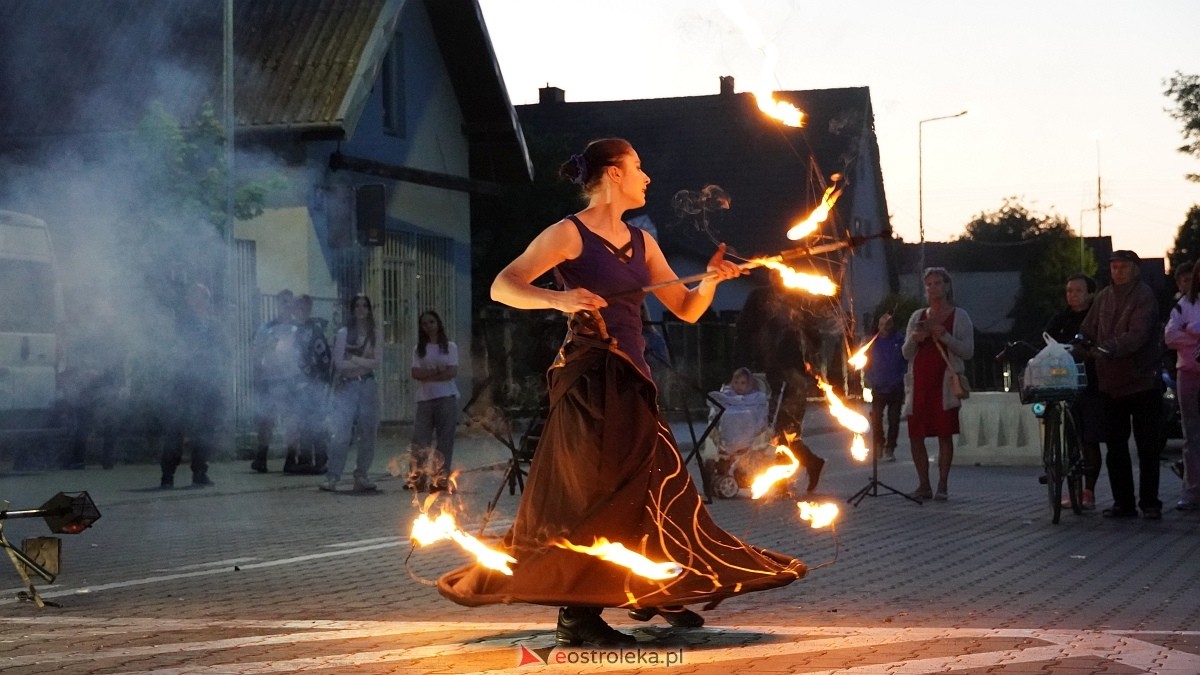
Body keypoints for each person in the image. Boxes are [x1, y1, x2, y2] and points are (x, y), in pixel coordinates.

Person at [438, 138, 805, 647]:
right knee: (598, 492)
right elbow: (504, 285)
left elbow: (686, 309)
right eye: (638, 166)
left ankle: (649, 586)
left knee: (657, 488)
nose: (646, 176)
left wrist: (712, 281)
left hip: (633, 379)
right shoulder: (569, 233)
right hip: (591, 379)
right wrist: (559, 299)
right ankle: (577, 615)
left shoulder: (643, 243)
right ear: (613, 173)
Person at [1079, 250, 1163, 519]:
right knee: (1116, 447)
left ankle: (1150, 503)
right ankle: (1123, 503)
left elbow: (1139, 334)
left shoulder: (1144, 296)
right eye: (1114, 267)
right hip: (1110, 384)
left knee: (1147, 446)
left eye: (1123, 267)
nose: (1118, 272)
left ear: (1135, 269)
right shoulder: (1104, 296)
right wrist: (1080, 344)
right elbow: (1088, 328)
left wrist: (1108, 348)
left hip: (1142, 380)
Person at [735, 280, 826, 493]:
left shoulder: (798, 297)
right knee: (780, 431)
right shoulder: (759, 297)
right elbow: (745, 330)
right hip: (776, 374)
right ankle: (802, 468)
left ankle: (793, 473)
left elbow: (814, 338)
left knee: (782, 430)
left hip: (793, 377)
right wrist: (741, 364)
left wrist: (797, 334)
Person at [902, 267, 974, 502]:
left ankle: (942, 484)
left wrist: (944, 335)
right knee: (916, 436)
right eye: (929, 284)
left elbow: (968, 351)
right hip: (919, 383)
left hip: (944, 384)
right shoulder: (917, 316)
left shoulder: (959, 316)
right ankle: (924, 484)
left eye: (937, 283)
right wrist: (915, 339)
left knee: (944, 434)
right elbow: (905, 353)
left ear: (947, 286)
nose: (933, 288)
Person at [1044, 274, 1102, 509]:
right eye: (1069, 291)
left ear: (1090, 293)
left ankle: (1089, 491)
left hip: (1091, 383)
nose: (1072, 295)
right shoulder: (1061, 318)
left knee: (1089, 439)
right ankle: (1071, 489)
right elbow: (1046, 340)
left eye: (1078, 291)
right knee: (1070, 438)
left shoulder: (1097, 316)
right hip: (1064, 382)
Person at [161, 282, 224, 489]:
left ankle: (200, 472)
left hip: (208, 382)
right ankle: (167, 475)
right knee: (176, 428)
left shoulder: (214, 325)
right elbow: (175, 348)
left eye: (202, 296)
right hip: (184, 381)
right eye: (194, 296)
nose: (198, 300)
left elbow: (223, 351)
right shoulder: (180, 322)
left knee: (205, 429)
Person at [320, 293, 384, 493]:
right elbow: (339, 363)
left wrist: (354, 360)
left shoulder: (375, 334)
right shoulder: (344, 333)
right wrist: (363, 364)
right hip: (347, 386)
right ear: (352, 309)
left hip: (367, 385)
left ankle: (361, 474)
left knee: (368, 432)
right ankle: (333, 476)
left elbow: (376, 362)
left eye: (365, 305)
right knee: (342, 433)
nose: (361, 309)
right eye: (357, 306)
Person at [61, 298, 126, 470]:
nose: (105, 320)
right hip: (89, 385)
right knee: (84, 422)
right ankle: (78, 459)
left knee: (110, 423)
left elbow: (118, 362)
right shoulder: (88, 336)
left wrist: (107, 375)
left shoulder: (116, 338)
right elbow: (78, 355)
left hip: (108, 385)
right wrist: (86, 371)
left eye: (107, 317)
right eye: (102, 317)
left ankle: (107, 459)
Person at [250, 290, 304, 473]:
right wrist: (258, 376)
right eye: (283, 302)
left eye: (289, 302)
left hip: (291, 380)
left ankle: (291, 458)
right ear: (277, 304)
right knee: (266, 420)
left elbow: (305, 354)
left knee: (292, 421)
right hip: (270, 379)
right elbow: (256, 354)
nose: (286, 305)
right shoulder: (266, 328)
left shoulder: (299, 329)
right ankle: (261, 457)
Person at [408, 310, 460, 492]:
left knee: (445, 440)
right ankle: (418, 478)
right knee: (420, 440)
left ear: (438, 323)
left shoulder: (450, 347)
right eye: (424, 324)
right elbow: (416, 373)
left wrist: (428, 375)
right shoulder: (419, 349)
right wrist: (438, 371)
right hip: (425, 399)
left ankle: (440, 479)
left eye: (431, 322)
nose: (428, 326)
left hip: (446, 397)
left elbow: (451, 372)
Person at [1163, 262, 1200, 511]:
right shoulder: (1183, 305)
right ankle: (1192, 490)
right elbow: (1169, 336)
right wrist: (1195, 338)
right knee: (1192, 434)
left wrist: (1190, 331)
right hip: (1188, 373)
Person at [292, 294, 332, 474]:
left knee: (316, 422)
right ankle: (305, 459)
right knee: (302, 423)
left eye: (305, 306)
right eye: (299, 306)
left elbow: (324, 356)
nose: (302, 310)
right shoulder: (291, 329)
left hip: (314, 383)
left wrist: (320, 379)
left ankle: (321, 459)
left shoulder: (315, 330)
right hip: (296, 383)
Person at [864, 311, 906, 463]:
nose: (884, 327)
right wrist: (870, 378)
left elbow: (906, 360)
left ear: (892, 325)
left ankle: (890, 448)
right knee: (876, 418)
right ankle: (879, 443)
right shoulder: (872, 342)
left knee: (894, 419)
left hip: (896, 387)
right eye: (882, 324)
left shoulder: (899, 340)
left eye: (887, 324)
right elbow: (866, 362)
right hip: (878, 387)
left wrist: (901, 377)